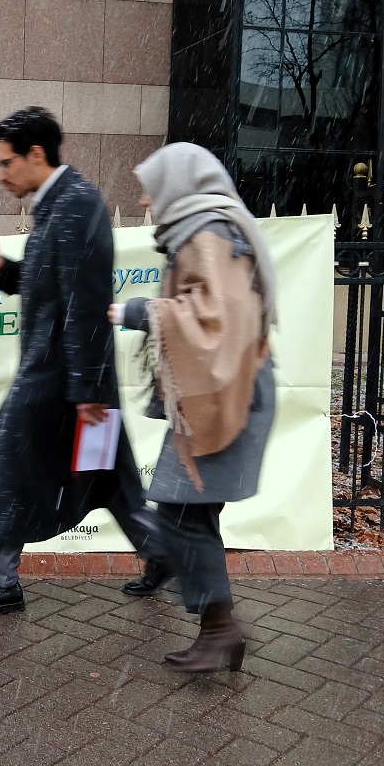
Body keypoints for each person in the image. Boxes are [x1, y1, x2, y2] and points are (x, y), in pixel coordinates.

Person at [0, 106, 167, 616]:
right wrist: (3, 268)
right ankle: (165, 551)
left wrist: (87, 391)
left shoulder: (75, 205)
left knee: (11, 468)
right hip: (74, 379)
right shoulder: (61, 204)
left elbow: (85, 302)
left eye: (6, 163)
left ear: (36, 154)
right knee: (110, 478)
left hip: (59, 379)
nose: (0, 175)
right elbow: (51, 281)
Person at [109, 142, 278, 672]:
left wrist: (138, 311)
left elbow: (215, 315)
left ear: (178, 186)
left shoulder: (206, 232)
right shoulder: (206, 228)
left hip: (226, 395)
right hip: (223, 392)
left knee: (182, 510)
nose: (144, 200)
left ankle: (221, 631)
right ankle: (217, 630)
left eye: (151, 189)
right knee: (190, 511)